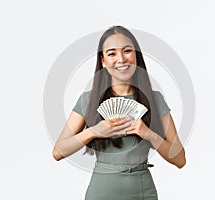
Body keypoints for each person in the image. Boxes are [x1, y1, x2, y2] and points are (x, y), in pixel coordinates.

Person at [52, 25, 186, 200]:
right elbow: (58, 152)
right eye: (112, 53)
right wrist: (94, 131)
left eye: (127, 51)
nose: (121, 59)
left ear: (136, 55)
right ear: (103, 60)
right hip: (101, 191)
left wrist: (148, 134)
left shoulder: (154, 99)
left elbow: (180, 160)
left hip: (142, 191)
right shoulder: (88, 100)